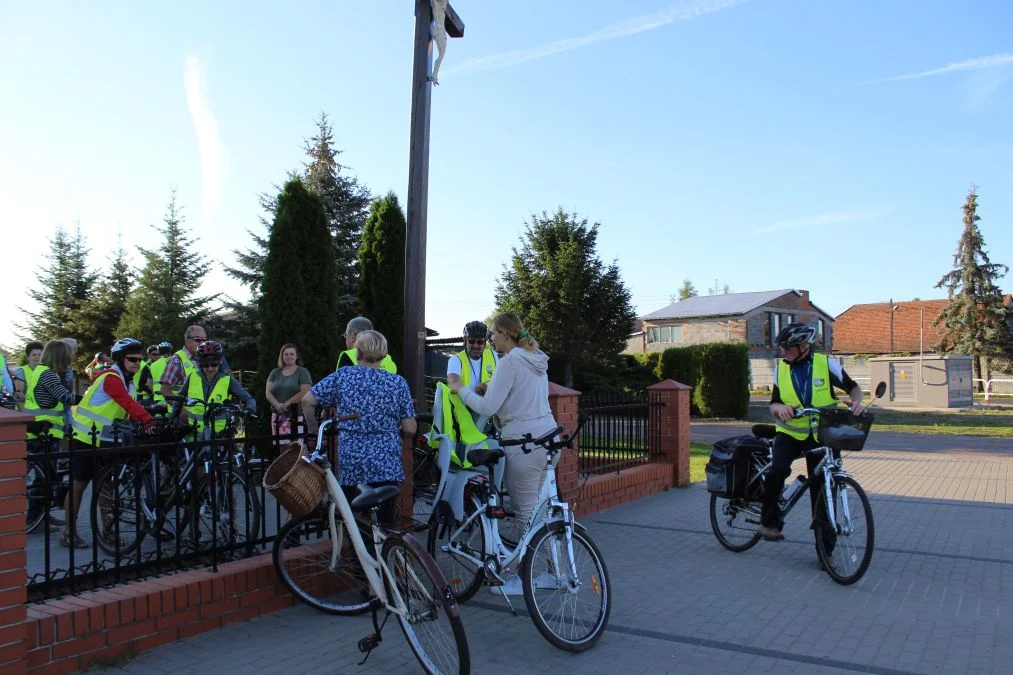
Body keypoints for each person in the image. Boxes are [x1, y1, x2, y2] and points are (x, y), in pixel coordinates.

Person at [448, 313, 557, 593]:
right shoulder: (536, 359)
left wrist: (461, 390)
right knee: (543, 513)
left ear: (505, 335)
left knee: (525, 515)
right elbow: (520, 396)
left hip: (523, 443)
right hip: (549, 439)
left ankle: (524, 579)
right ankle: (553, 572)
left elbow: (487, 408)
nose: (490, 339)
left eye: (493, 334)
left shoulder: (509, 362)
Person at [758, 322, 865, 543]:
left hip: (822, 435)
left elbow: (853, 388)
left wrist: (856, 403)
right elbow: (773, 404)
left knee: (824, 489)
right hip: (790, 433)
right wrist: (781, 409)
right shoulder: (782, 369)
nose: (783, 352)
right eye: (782, 347)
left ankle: (826, 549)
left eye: (788, 347)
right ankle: (768, 523)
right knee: (777, 471)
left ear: (803, 346)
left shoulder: (826, 364)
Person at [304, 330, 415, 528]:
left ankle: (360, 557)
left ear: (357, 353)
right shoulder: (397, 383)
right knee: (386, 522)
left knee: (354, 522)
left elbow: (307, 401)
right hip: (386, 462)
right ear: (383, 354)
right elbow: (410, 427)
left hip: (353, 461)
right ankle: (383, 556)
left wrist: (313, 431)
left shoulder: (344, 376)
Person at [66, 338, 155, 549]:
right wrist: (147, 418)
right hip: (84, 438)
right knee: (78, 486)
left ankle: (107, 531)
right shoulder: (111, 377)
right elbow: (126, 403)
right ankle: (69, 533)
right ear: (119, 359)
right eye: (132, 359)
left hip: (105, 439)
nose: (137, 363)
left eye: (139, 360)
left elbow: (129, 407)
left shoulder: (128, 380)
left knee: (105, 487)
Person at [22, 340, 80, 526]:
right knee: (43, 480)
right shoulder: (48, 375)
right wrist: (85, 397)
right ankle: (35, 517)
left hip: (38, 430)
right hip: (44, 432)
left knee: (44, 477)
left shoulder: (40, 371)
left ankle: (42, 516)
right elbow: (66, 397)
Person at [440, 320, 500, 468]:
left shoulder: (492, 355)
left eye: (480, 342)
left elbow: (500, 382)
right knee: (463, 455)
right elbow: (453, 383)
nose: (476, 346)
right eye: (471, 341)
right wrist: (472, 393)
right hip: (463, 413)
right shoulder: (456, 359)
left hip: (486, 412)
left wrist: (489, 387)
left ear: (485, 342)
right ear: (465, 340)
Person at [174, 341, 255, 434]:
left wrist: (250, 410)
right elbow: (179, 399)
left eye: (214, 364)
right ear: (200, 363)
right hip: (195, 432)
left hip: (220, 434)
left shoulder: (228, 380)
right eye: (205, 365)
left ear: (220, 361)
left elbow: (248, 398)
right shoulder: (192, 377)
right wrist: (173, 418)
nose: (210, 368)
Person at [266, 343, 312, 446]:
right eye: (286, 354)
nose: (289, 356)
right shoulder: (275, 373)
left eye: (292, 354)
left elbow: (305, 391)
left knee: (296, 449)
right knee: (281, 449)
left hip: (295, 417)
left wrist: (287, 403)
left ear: (296, 356)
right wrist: (278, 405)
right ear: (282, 356)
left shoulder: (302, 372)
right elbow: (268, 393)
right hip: (278, 417)